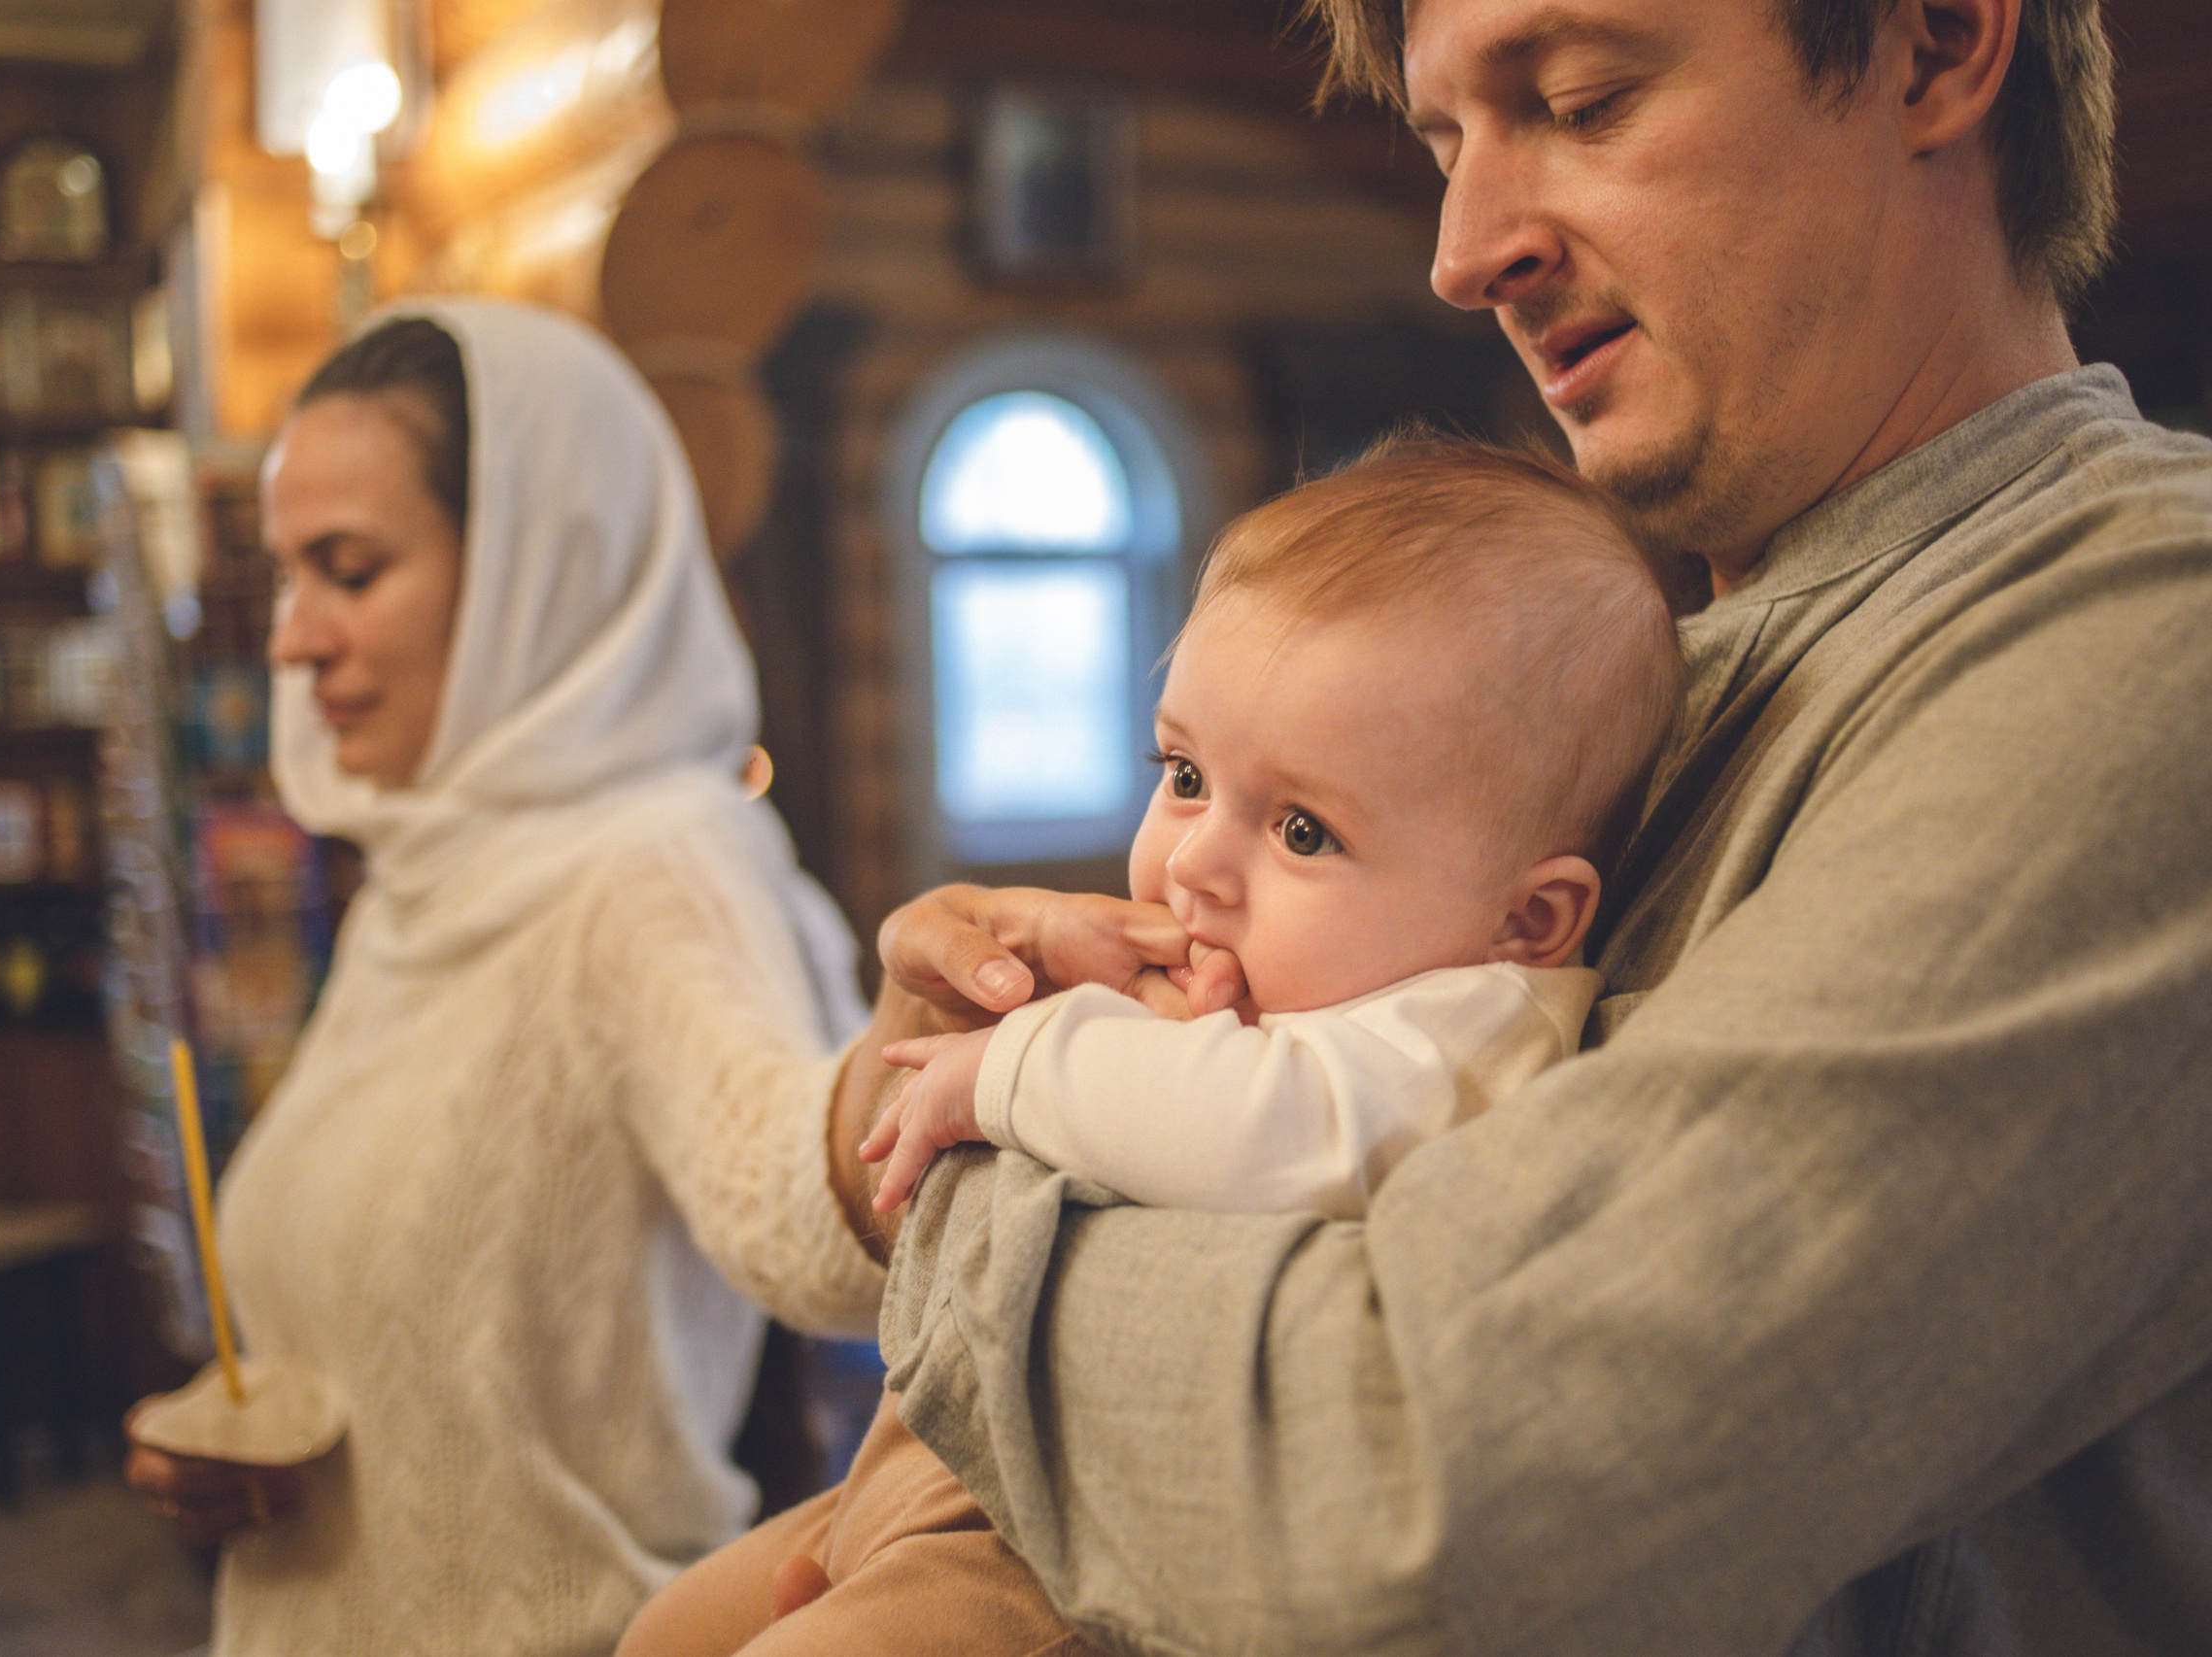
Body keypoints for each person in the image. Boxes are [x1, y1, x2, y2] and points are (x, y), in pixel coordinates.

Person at [832, 0, 2212, 1652]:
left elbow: (1432, 1493)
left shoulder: (2139, 640)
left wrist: (972, 1182)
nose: (1462, 248)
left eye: (1581, 99)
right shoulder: (1631, 694)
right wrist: (982, 1024)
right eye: (1444, 144)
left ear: (1932, 49)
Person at [619, 438, 1683, 1656]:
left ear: (1527, 915)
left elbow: (1277, 1123)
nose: (1191, 862)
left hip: (1077, 1544)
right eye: (1182, 771)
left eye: (1300, 828)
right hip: (959, 1453)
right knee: (669, 1629)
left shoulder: (1477, 1018)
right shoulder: (1310, 971)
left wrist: (1013, 1066)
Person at [122, 301, 887, 1657]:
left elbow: (796, 1209)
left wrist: (930, 1048)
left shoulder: (654, 870)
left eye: (348, 570)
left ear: (542, 566)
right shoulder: (429, 866)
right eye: (288, 573)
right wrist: (258, 1434)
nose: (292, 639)